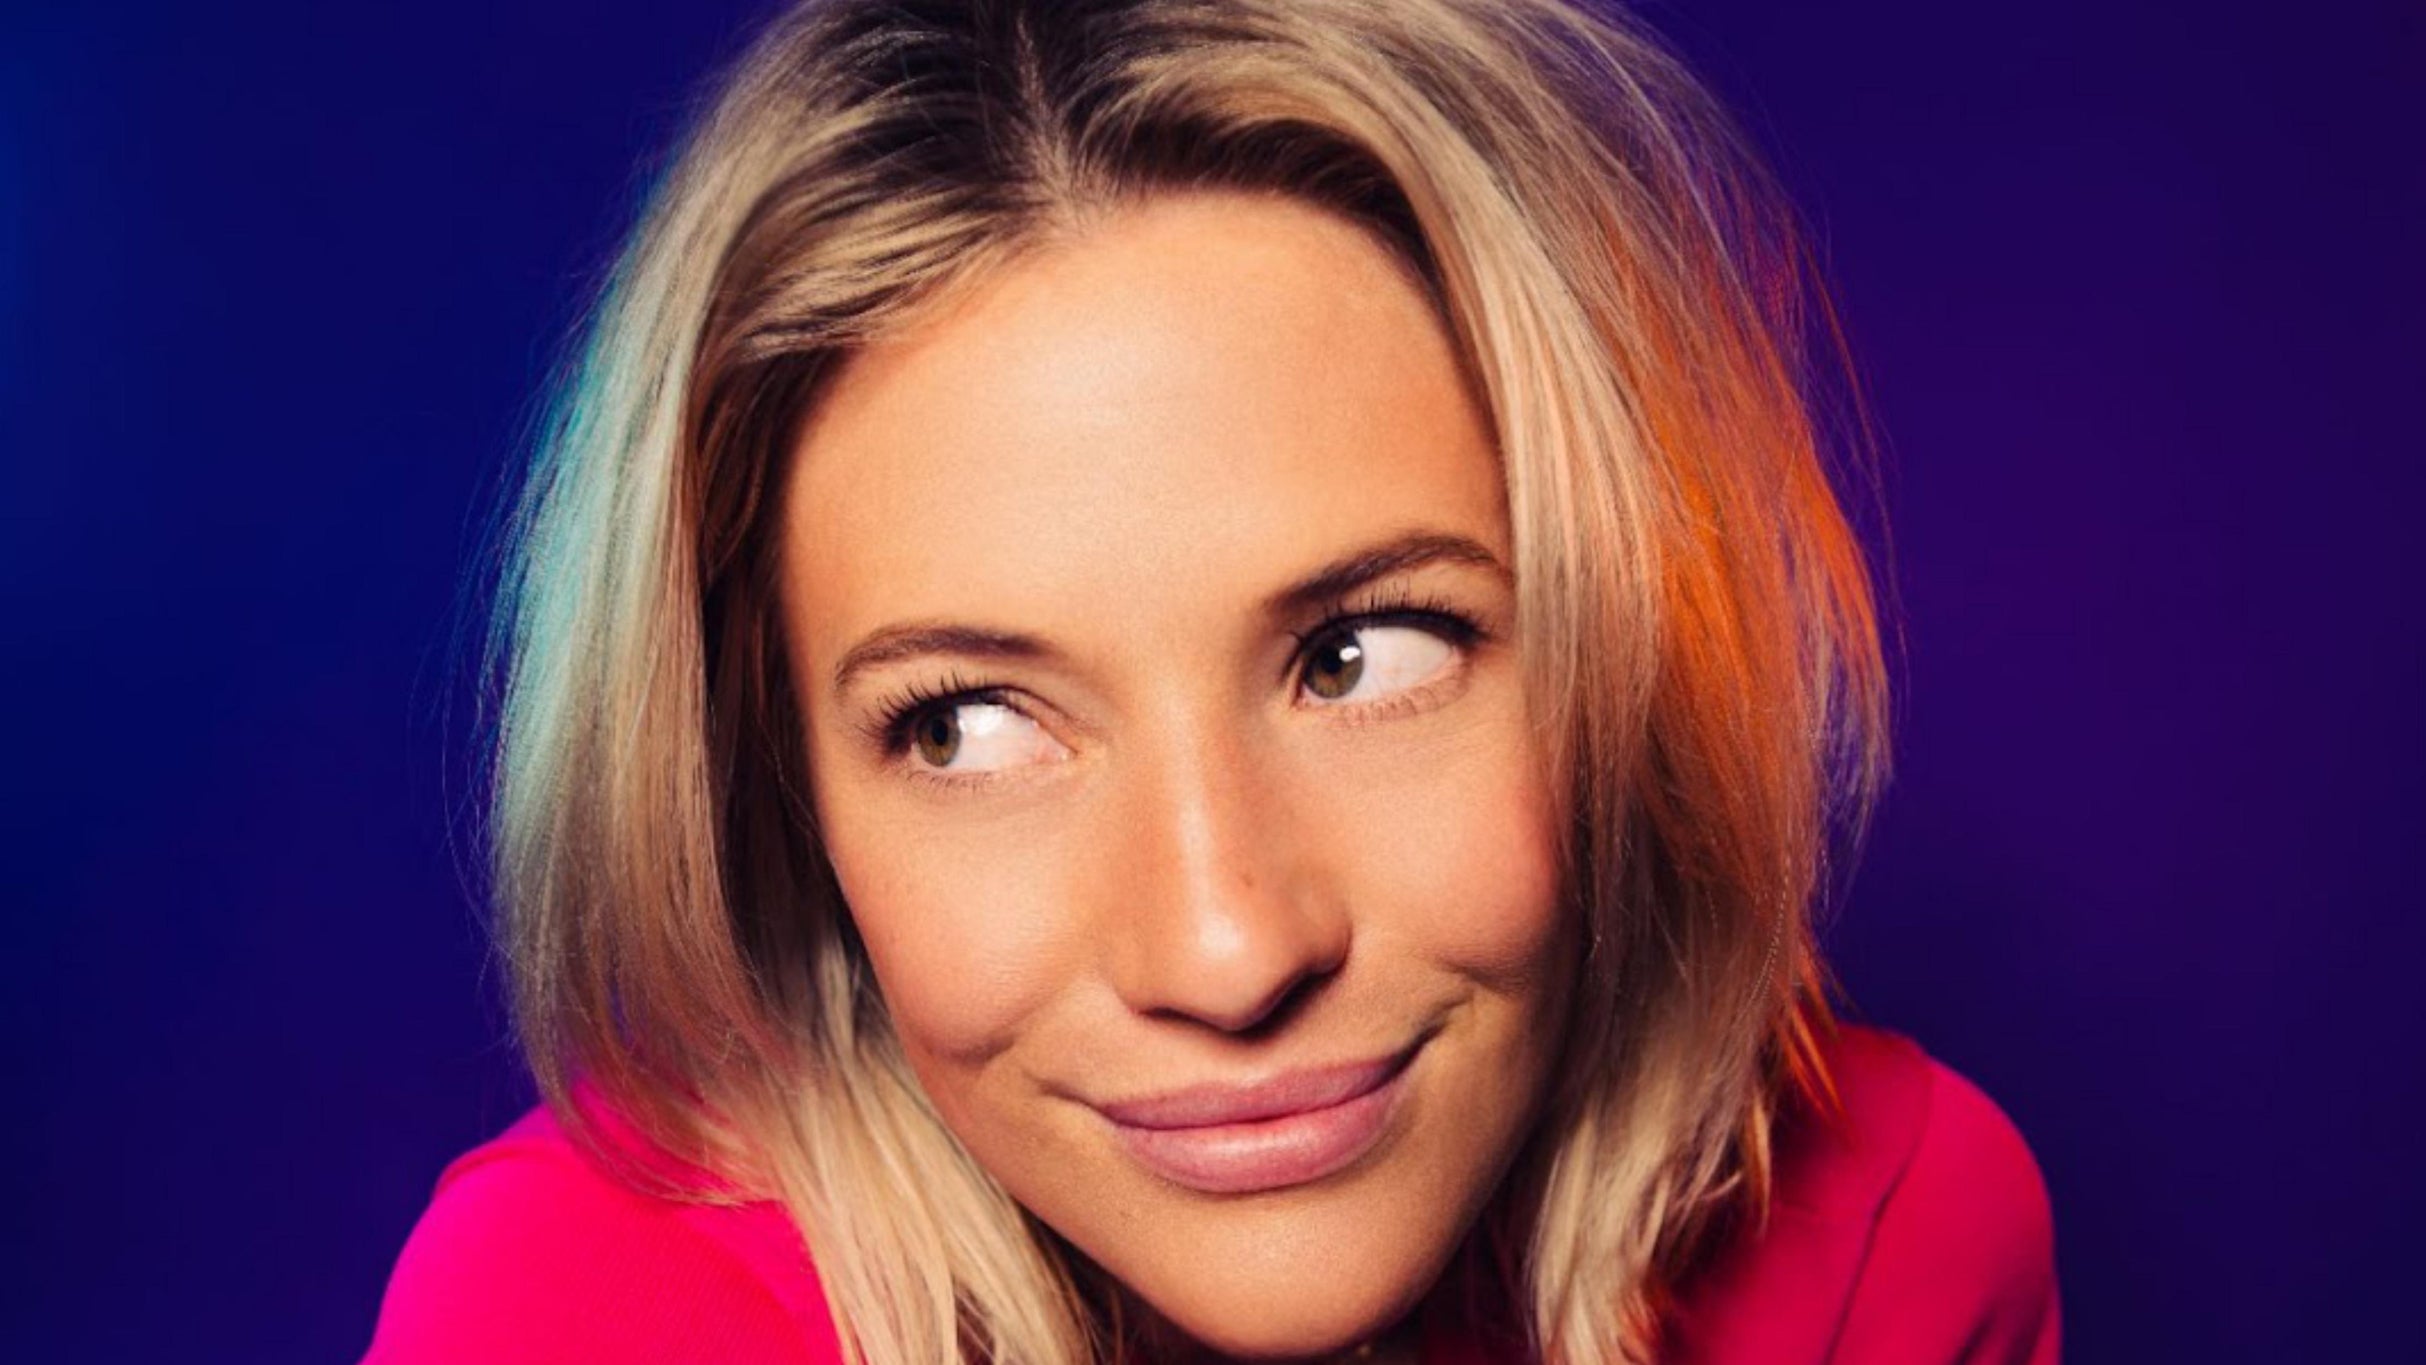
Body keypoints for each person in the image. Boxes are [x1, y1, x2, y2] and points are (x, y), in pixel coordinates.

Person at [362, 0, 2060, 1361]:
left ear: (1617, 648)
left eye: (1361, 655)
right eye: (965, 725)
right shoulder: (572, 1314)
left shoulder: (1883, 1242)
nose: (1227, 951)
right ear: (775, 793)